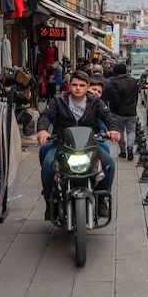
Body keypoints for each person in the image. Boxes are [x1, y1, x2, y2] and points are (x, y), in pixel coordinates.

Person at [37, 71, 121, 219]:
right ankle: (50, 201)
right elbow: (47, 116)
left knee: (109, 164)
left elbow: (108, 116)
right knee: (48, 164)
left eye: (82, 85)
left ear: (87, 87)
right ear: (69, 86)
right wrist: (43, 130)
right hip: (62, 144)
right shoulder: (58, 100)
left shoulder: (95, 101)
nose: (77, 88)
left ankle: (102, 199)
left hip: (90, 144)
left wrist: (113, 130)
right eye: (74, 85)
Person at [108, 63, 139, 160]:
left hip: (119, 112)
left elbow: (115, 100)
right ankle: (130, 146)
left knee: (120, 131)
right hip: (131, 111)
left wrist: (113, 109)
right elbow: (136, 96)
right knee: (131, 131)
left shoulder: (116, 83)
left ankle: (123, 151)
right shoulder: (133, 82)